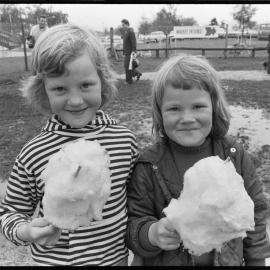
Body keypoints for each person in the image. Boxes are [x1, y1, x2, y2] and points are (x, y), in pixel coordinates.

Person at [0, 24, 138, 266]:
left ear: (103, 82)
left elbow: (138, 202)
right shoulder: (35, 152)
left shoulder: (124, 141)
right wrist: (26, 231)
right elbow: (9, 212)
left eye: (85, 85)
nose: (75, 100)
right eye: (60, 89)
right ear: (43, 91)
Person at [126, 54, 270, 266]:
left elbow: (255, 213)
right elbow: (133, 223)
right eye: (174, 109)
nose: (187, 118)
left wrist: (256, 261)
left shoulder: (233, 155)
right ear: (159, 113)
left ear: (213, 106)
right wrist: (152, 233)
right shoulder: (149, 165)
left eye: (198, 107)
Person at [121, 19, 142, 84]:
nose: (122, 26)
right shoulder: (126, 32)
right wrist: (124, 52)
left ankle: (129, 81)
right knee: (128, 66)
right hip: (127, 52)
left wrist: (133, 51)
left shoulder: (131, 31)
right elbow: (126, 43)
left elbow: (134, 42)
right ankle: (137, 73)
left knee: (128, 67)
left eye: (123, 25)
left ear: (127, 24)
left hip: (130, 53)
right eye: (122, 25)